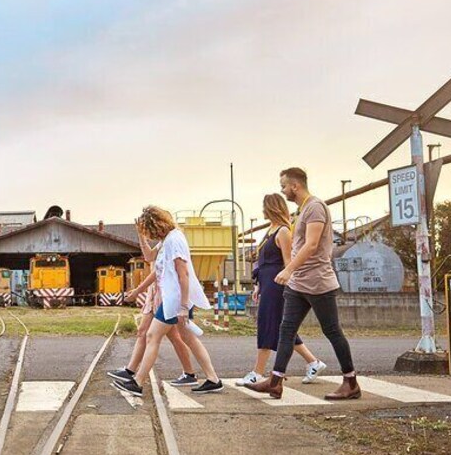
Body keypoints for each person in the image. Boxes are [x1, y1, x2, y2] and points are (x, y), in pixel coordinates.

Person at [246, 168, 360, 400]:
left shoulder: (315, 207)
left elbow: (311, 245)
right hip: (299, 284)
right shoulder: (302, 210)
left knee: (332, 331)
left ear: (295, 186)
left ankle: (351, 382)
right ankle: (275, 382)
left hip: (318, 281)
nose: (282, 190)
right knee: (285, 330)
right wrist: (293, 275)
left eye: (284, 186)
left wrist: (288, 269)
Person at [112, 207, 223, 397]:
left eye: (149, 230)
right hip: (174, 298)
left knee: (152, 336)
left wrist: (183, 306)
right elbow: (153, 263)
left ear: (157, 225)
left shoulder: (175, 240)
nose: (150, 234)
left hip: (176, 299)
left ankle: (138, 382)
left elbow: (184, 273)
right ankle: (213, 379)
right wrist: (138, 289)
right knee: (188, 338)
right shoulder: (167, 241)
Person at [236, 193, 326, 386]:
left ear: (271, 208)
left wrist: (288, 285)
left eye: (264, 207)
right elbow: (263, 262)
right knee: (280, 328)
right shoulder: (270, 230)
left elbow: (288, 261)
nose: (262, 211)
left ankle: (257, 372)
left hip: (277, 285)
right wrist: (258, 285)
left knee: (268, 325)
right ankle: (313, 362)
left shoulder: (283, 231)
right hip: (267, 283)